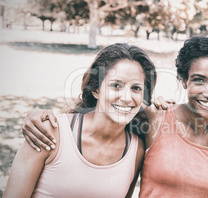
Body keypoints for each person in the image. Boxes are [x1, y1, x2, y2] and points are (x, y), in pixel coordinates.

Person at [19, 36, 208, 197]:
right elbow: (103, 110)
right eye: (199, 80)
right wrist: (36, 115)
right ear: (183, 81)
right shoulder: (154, 118)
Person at [4, 43, 157, 198]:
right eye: (116, 85)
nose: (126, 97)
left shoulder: (135, 151)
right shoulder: (47, 133)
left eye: (136, 88)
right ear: (96, 89)